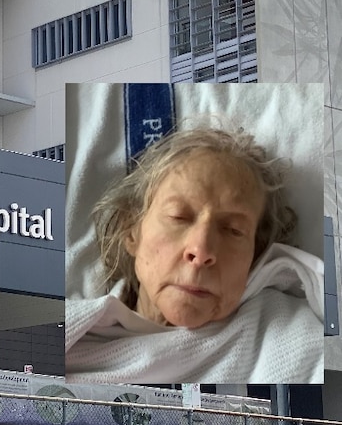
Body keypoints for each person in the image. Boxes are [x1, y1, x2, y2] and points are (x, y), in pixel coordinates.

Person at [65, 126, 324, 384]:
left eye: (233, 230)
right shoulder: (63, 329)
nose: (201, 251)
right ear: (131, 231)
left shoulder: (293, 338)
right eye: (179, 216)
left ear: (255, 256)